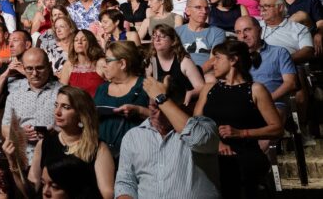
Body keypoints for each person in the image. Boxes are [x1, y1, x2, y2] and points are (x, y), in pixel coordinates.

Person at [194, 39, 282, 199]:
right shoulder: (209, 89)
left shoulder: (255, 90)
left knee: (234, 168)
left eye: (217, 58)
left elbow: (277, 128)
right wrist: (217, 143)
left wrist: (242, 133)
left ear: (233, 60)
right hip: (211, 150)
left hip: (244, 153)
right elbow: (195, 124)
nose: (213, 63)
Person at [112, 76, 220, 199]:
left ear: (180, 106)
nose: (157, 115)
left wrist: (161, 98)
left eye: (162, 108)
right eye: (153, 106)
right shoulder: (133, 137)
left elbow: (198, 140)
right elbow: (125, 182)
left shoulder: (205, 127)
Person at [6, 86, 114, 199]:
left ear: (81, 113)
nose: (57, 112)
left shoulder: (98, 148)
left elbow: (107, 195)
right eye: (56, 105)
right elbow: (31, 193)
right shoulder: (44, 144)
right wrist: (14, 163)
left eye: (66, 107)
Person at [0, 49, 61, 162]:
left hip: (56, 156)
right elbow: (5, 127)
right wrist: (19, 133)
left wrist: (55, 131)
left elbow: (77, 126)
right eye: (29, 68)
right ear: (23, 68)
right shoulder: (14, 96)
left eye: (40, 68)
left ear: (49, 66)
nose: (35, 73)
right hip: (24, 158)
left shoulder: (63, 93)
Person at [93, 41, 148, 161]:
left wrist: (139, 111)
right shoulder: (101, 89)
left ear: (122, 64)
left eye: (108, 61)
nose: (104, 66)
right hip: (102, 157)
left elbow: (162, 119)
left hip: (137, 156)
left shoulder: (146, 86)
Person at [145, 25, 205, 108]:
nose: (157, 39)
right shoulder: (151, 61)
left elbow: (201, 87)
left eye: (162, 36)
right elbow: (149, 88)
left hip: (183, 105)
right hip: (162, 105)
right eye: (154, 36)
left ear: (173, 41)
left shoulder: (184, 61)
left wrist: (190, 93)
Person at [175, 0, 225, 70]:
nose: (204, 11)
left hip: (206, 72)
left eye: (206, 8)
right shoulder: (176, 32)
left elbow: (214, 59)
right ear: (187, 11)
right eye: (198, 7)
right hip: (181, 71)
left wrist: (197, 74)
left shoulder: (217, 33)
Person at [57, 30, 106, 97]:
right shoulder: (69, 65)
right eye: (76, 40)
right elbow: (62, 92)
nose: (79, 42)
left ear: (91, 43)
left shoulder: (101, 63)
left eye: (84, 40)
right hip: (75, 103)